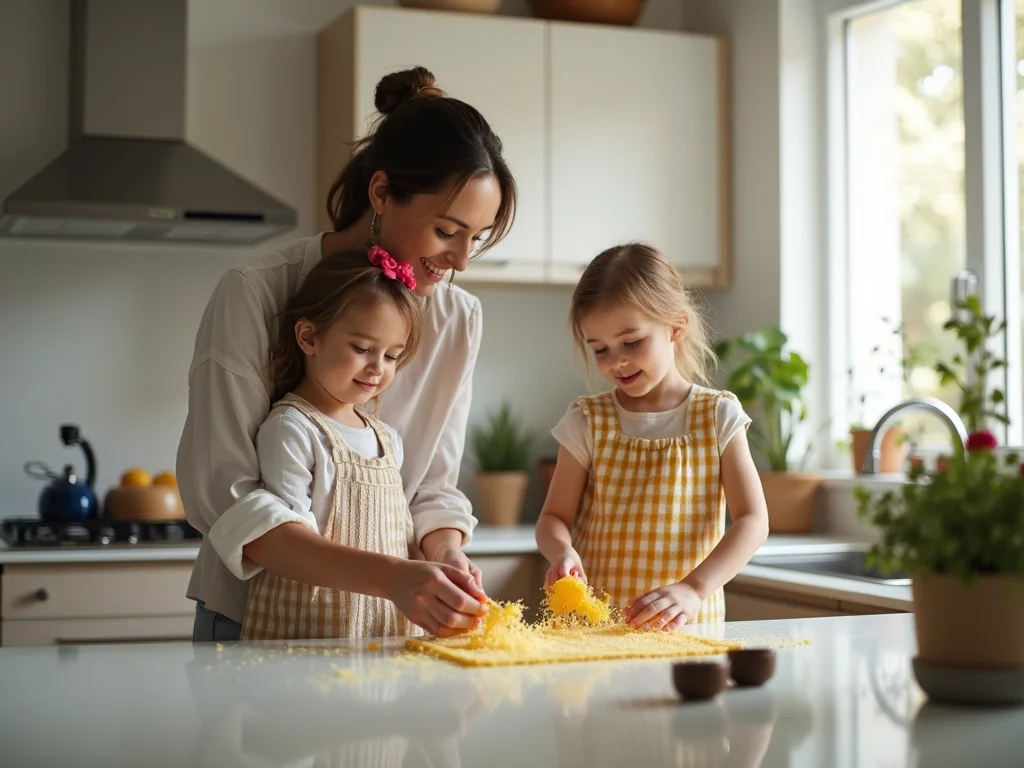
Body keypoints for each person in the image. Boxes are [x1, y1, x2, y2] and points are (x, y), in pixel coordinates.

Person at [179, 66, 517, 641]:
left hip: (385, 625)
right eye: (447, 231)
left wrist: (446, 550)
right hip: (254, 622)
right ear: (382, 192)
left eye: (477, 238)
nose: (461, 260)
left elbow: (433, 484)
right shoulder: (257, 291)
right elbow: (231, 501)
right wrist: (392, 577)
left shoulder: (458, 317)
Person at [535, 243, 769, 629]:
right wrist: (562, 551)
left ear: (676, 325)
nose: (616, 361)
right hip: (597, 632)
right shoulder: (587, 420)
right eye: (600, 349)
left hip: (690, 630)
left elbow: (753, 520)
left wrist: (694, 589)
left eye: (631, 342)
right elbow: (553, 517)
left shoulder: (718, 416)